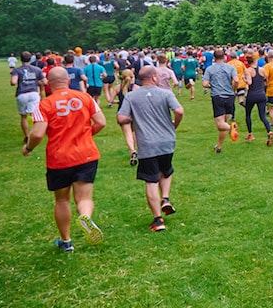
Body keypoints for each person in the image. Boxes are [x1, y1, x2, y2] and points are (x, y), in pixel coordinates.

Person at [23, 67, 105, 251]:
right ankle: (86, 216)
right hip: (86, 154)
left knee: (62, 200)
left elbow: (37, 134)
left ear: (48, 83)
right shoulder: (85, 97)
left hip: (59, 158)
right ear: (68, 80)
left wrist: (28, 148)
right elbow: (101, 122)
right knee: (84, 197)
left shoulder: (44, 104)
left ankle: (66, 241)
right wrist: (86, 135)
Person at [117, 66, 184, 232]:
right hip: (167, 140)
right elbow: (179, 111)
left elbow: (121, 118)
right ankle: (165, 199)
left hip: (147, 143)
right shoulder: (166, 93)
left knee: (151, 180)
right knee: (166, 170)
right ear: (154, 77)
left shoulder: (131, 96)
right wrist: (174, 124)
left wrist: (135, 117)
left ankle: (158, 220)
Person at [202, 48, 240, 153]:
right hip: (230, 96)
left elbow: (204, 84)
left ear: (214, 58)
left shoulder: (210, 69)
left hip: (218, 96)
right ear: (224, 57)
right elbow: (236, 80)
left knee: (220, 124)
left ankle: (231, 128)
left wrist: (211, 86)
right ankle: (219, 146)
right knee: (223, 123)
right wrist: (233, 89)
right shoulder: (231, 68)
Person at [11, 51, 46, 143]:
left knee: (23, 117)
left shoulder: (17, 70)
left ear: (21, 59)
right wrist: (36, 81)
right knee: (35, 115)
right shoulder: (37, 69)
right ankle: (35, 134)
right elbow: (45, 82)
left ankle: (27, 136)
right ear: (30, 59)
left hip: (22, 94)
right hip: (34, 93)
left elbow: (13, 82)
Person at [243, 54, 273, 145]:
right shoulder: (262, 69)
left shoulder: (248, 70)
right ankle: (269, 131)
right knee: (262, 116)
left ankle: (250, 134)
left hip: (252, 95)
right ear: (255, 61)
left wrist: (244, 79)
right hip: (261, 94)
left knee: (248, 114)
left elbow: (249, 82)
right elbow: (266, 80)